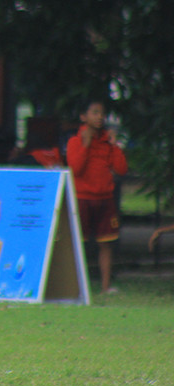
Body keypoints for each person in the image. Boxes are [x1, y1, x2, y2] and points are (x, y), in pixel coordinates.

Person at [66, 99, 127, 295]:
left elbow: (121, 169)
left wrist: (115, 145)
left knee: (105, 244)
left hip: (105, 198)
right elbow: (75, 169)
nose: (99, 117)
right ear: (84, 117)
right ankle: (77, 288)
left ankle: (105, 287)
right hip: (82, 198)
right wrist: (85, 144)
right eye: (94, 112)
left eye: (102, 113)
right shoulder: (75, 141)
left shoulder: (107, 143)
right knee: (78, 244)